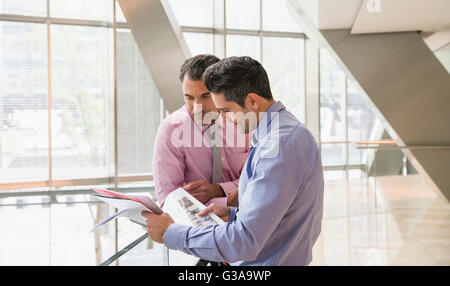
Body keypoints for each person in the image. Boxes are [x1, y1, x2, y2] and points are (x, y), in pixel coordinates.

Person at [143, 56, 324, 266]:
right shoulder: (282, 132)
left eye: (226, 111)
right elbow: (278, 212)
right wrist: (234, 213)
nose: (223, 119)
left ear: (253, 101)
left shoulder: (277, 145)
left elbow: (244, 242)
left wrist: (170, 233)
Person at [152, 54, 249, 208]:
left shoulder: (244, 121)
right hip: (193, 226)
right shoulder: (172, 129)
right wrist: (228, 200)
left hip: (246, 221)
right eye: (189, 97)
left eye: (205, 96)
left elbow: (255, 180)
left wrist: (218, 190)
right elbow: (169, 200)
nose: (197, 107)